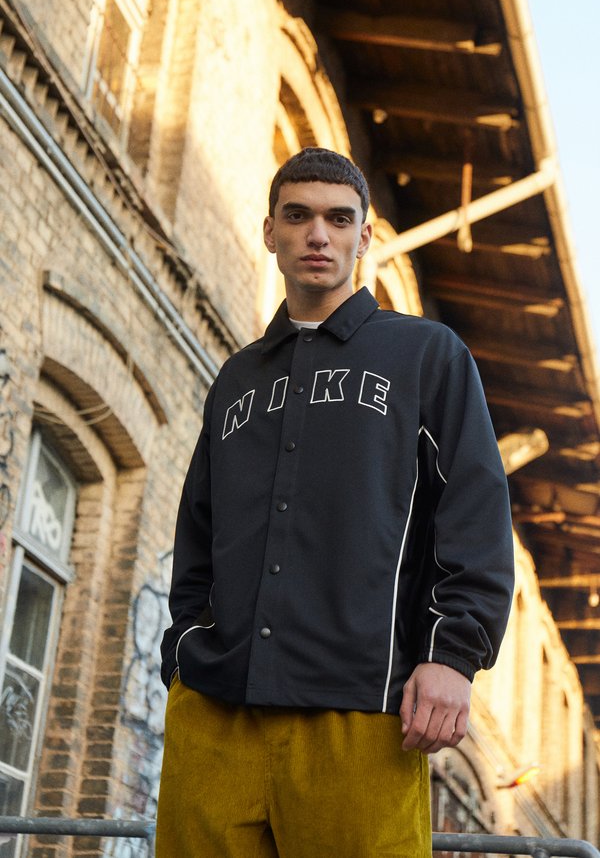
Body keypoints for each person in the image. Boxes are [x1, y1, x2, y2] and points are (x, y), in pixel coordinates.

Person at [156, 147, 514, 857]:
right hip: (215, 711)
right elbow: (199, 529)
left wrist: (452, 655)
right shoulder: (237, 379)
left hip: (361, 713)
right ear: (271, 233)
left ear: (364, 236)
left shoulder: (427, 355)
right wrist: (183, 654)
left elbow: (474, 510)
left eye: (338, 218)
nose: (317, 234)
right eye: (298, 216)